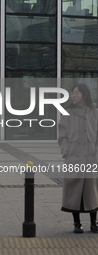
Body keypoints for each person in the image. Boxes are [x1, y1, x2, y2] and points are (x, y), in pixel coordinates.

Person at [58, 83, 98, 233]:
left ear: (85, 95)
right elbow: (62, 135)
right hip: (73, 158)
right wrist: (66, 152)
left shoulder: (95, 113)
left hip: (91, 159)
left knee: (92, 190)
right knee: (74, 191)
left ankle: (94, 222)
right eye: (72, 93)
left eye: (77, 93)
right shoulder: (67, 113)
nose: (73, 95)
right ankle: (76, 223)